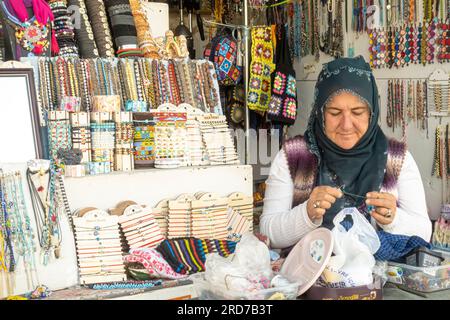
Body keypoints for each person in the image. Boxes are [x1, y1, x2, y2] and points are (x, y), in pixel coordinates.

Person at [260, 56, 432, 249]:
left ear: (372, 113)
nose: (346, 125)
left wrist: (392, 219)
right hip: (309, 275)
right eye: (334, 112)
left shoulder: (396, 158)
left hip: (381, 277)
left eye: (358, 112)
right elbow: (268, 232)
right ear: (320, 112)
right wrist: (306, 214)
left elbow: (424, 232)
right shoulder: (293, 156)